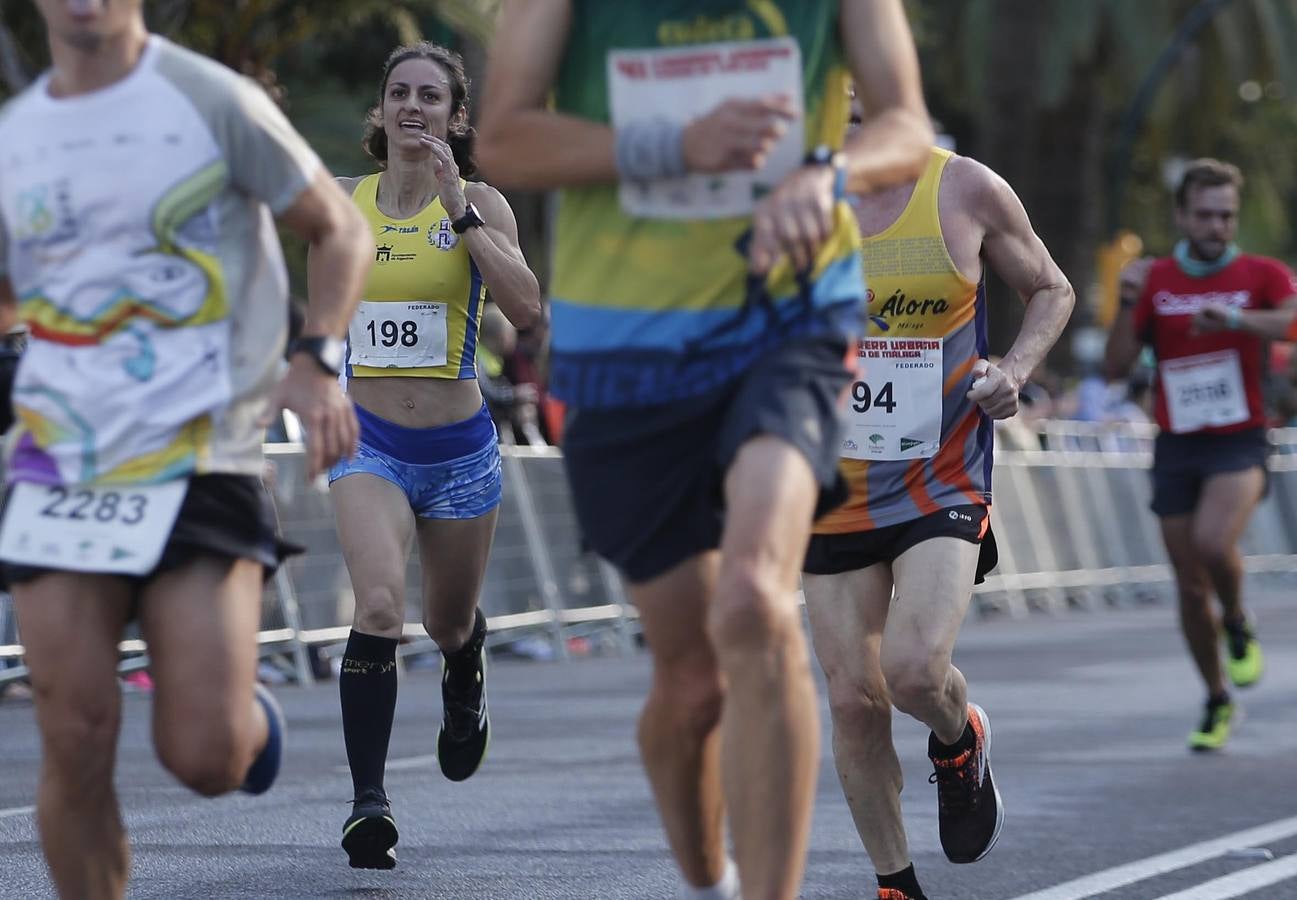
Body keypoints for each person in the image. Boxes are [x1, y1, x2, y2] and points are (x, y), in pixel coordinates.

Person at [478, 3, 933, 898]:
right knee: (690, 688)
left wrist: (824, 172)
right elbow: (506, 138)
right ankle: (705, 880)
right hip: (624, 349)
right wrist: (676, 145)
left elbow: (904, 121)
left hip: (785, 325)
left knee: (756, 604)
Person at [0, 2, 372, 898]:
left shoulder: (210, 100)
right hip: (60, 460)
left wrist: (317, 359)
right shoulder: (16, 137)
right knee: (74, 733)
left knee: (203, 755)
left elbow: (339, 227)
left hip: (200, 454)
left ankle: (243, 716)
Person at [802, 97, 1074, 899]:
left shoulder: (962, 189)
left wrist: (1012, 373)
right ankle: (896, 886)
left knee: (914, 671)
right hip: (829, 486)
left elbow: (1052, 289)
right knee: (853, 700)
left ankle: (960, 741)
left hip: (939, 476)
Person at [327, 42, 540, 870]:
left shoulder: (482, 201)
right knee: (377, 607)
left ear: (456, 117)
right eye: (398, 93)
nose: (412, 106)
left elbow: (526, 310)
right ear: (380, 113)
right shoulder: (344, 205)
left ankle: (465, 667)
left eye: (430, 95)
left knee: (445, 622)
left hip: (458, 451)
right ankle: (367, 804)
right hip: (368, 441)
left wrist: (459, 208)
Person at [1105, 158, 1297, 751]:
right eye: (1206, 214)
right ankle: (1216, 698)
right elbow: (1115, 367)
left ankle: (1237, 621)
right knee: (1189, 584)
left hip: (1238, 437)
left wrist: (1237, 317)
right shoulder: (1155, 279)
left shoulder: (1260, 272)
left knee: (1215, 544)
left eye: (1227, 215)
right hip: (1177, 442)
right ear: (1182, 215)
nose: (1218, 226)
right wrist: (1124, 302)